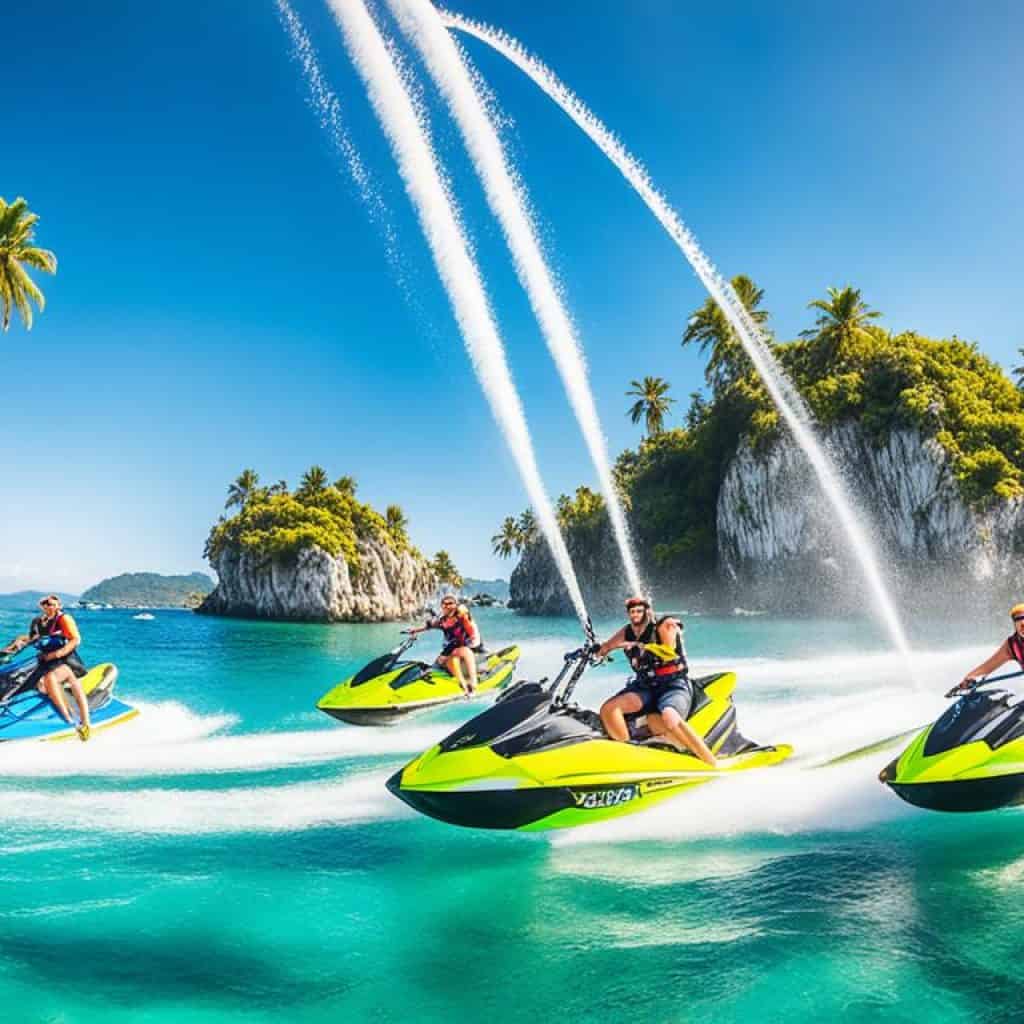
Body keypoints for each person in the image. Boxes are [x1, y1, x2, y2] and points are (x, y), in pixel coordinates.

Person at [595, 596, 716, 766]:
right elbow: (606, 647)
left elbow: (669, 649)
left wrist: (661, 635)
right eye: (632, 612)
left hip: (672, 685)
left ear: (647, 612)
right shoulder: (627, 632)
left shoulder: (663, 626)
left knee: (669, 715)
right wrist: (594, 651)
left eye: (639, 611)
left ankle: (711, 763)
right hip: (645, 687)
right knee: (609, 709)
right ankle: (629, 757)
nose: (635, 615)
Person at [3, 595, 91, 740]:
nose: (49, 606)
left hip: (65, 661)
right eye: (45, 604)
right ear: (42, 606)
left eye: (52, 604)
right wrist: (12, 648)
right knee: (19, 680)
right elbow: (30, 640)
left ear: (58, 606)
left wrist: (57, 654)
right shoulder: (37, 622)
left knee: (50, 679)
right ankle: (57, 714)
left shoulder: (64, 619)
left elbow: (75, 639)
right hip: (45, 662)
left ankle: (83, 723)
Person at [408, 595, 482, 695]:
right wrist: (415, 630)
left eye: (450, 603)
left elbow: (465, 616)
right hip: (452, 649)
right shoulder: (443, 620)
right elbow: (429, 626)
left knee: (463, 652)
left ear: (455, 605)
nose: (446, 606)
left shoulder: (462, 616)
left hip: (468, 647)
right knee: (441, 663)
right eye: (444, 604)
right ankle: (461, 685)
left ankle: (473, 685)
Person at [952, 603, 1024, 694]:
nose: (1022, 623)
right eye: (1018, 619)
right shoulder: (1012, 645)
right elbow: (986, 668)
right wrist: (966, 680)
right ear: (1014, 624)